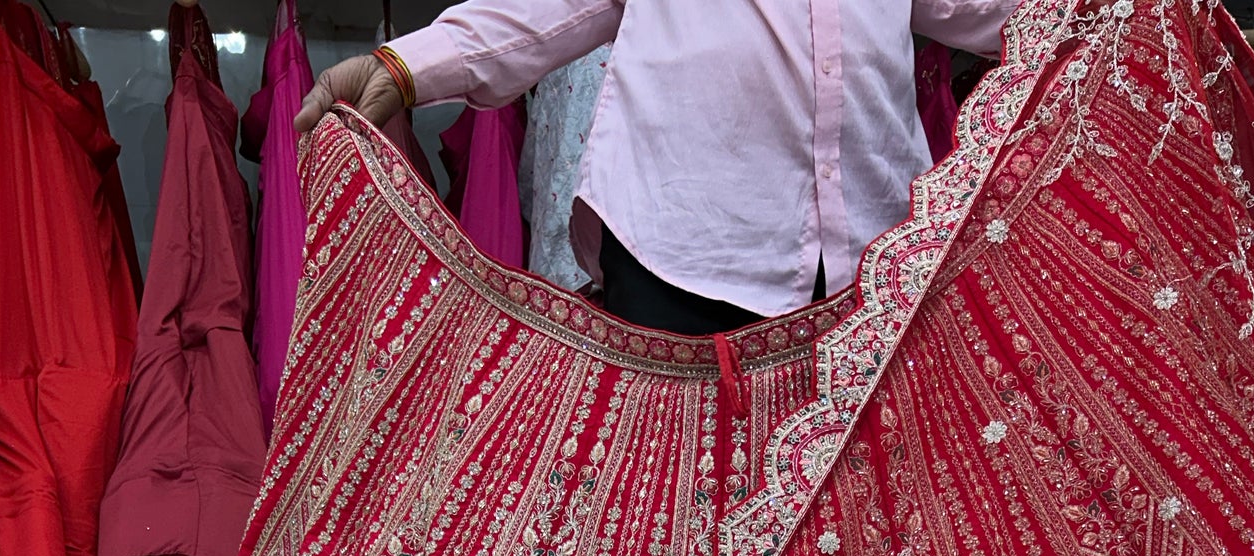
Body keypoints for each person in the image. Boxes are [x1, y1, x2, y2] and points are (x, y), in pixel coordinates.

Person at [293, 0, 1014, 333]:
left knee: (860, 530)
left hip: (876, 259)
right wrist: (407, 65)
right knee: (676, 529)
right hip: (684, 254)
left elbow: (987, 9)